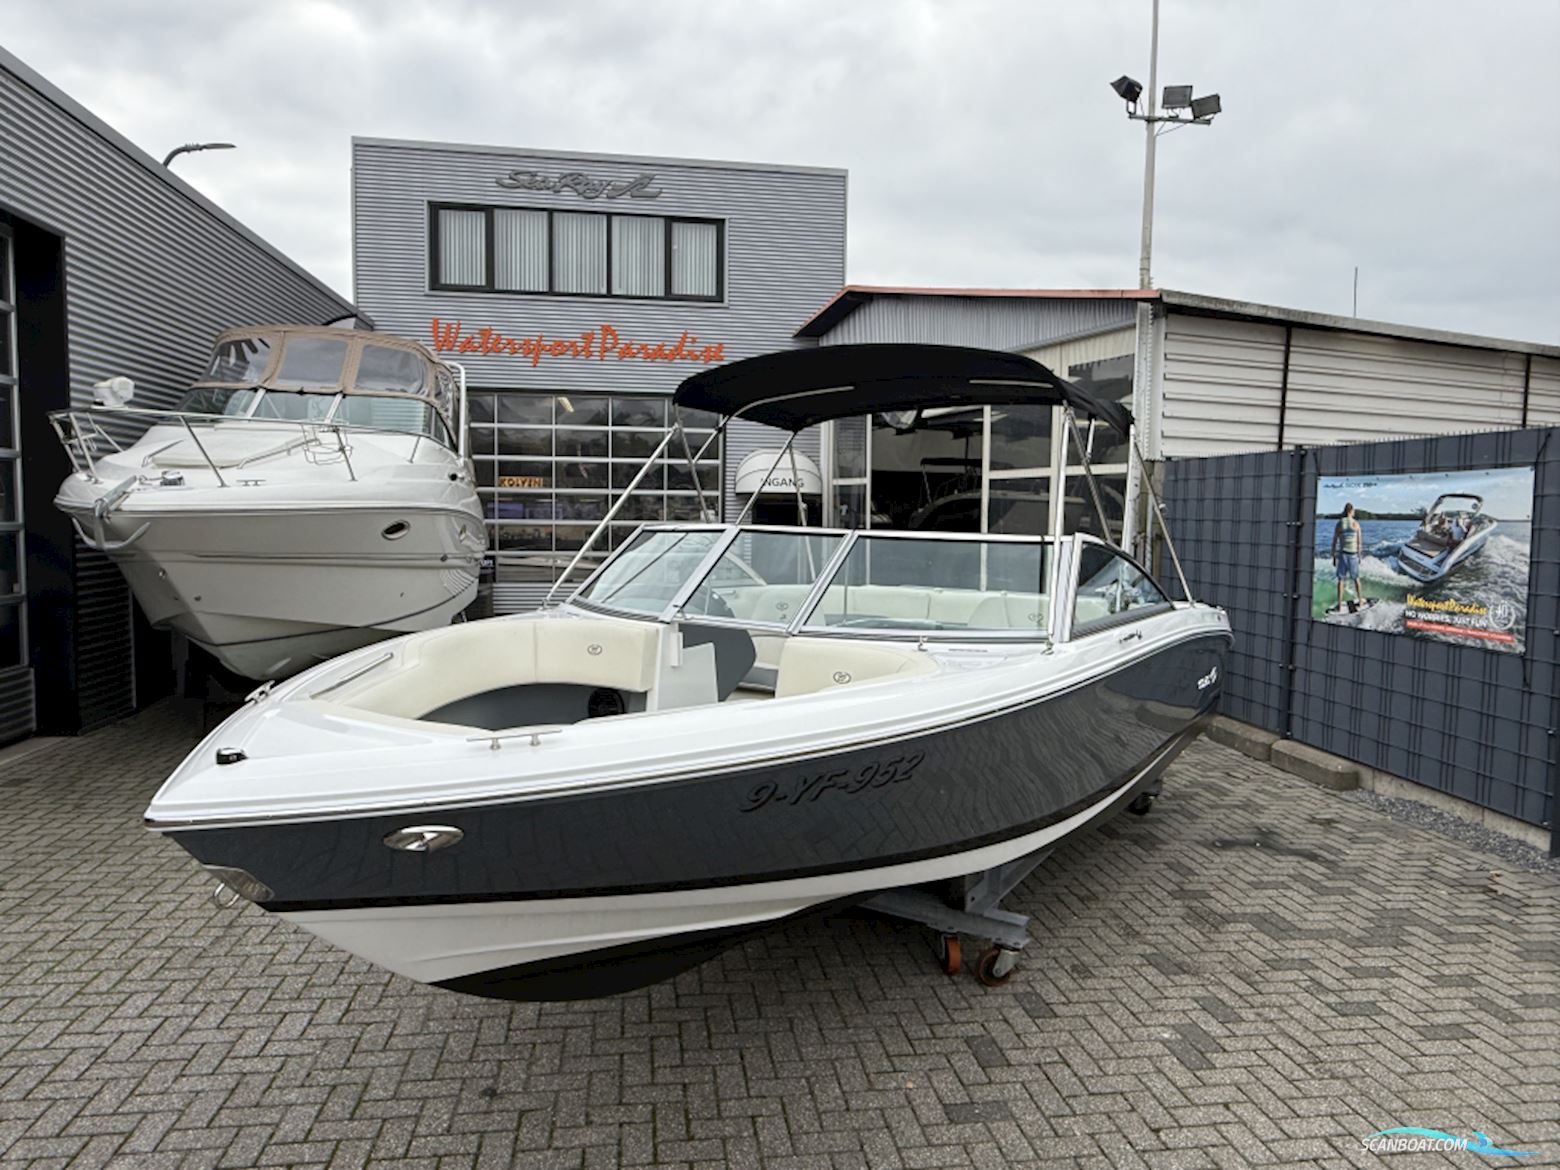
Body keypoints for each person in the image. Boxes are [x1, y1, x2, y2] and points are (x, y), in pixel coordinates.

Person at [1330, 502, 1365, 611]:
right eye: (1353, 511)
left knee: (1341, 580)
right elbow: (1359, 543)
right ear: (1351, 511)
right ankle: (1360, 601)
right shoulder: (1356, 524)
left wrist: (1333, 556)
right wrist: (1359, 556)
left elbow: (1334, 541)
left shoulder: (1340, 523)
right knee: (1356, 579)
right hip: (1353, 555)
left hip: (1342, 554)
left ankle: (1340, 604)